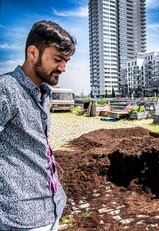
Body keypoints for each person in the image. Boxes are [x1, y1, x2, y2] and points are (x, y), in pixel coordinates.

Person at [0, 20, 76, 230]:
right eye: (58, 59)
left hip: (50, 207)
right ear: (33, 53)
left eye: (66, 61)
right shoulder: (5, 90)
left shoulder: (44, 92)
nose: (63, 68)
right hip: (20, 217)